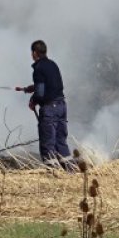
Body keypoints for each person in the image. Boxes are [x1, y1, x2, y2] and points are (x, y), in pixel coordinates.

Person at [16, 40, 74, 171]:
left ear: (34, 53)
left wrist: (33, 100)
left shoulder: (38, 68)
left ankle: (53, 174)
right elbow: (49, 85)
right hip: (61, 106)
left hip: (49, 109)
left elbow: (40, 92)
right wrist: (27, 89)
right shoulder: (53, 65)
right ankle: (71, 171)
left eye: (32, 53)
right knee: (61, 141)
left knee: (48, 142)